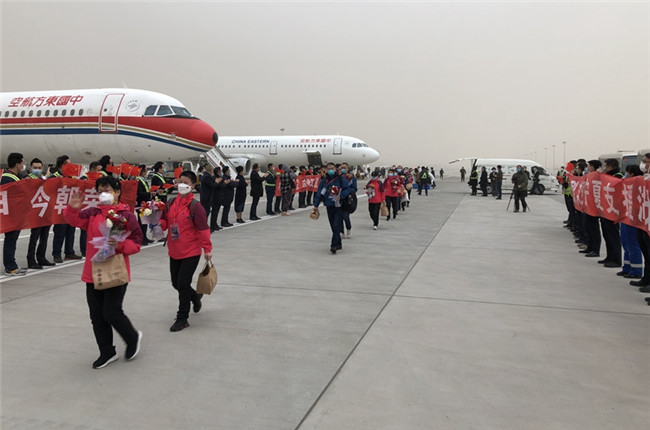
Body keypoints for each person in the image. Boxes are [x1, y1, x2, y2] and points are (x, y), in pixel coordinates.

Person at [64, 176, 143, 369]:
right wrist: (72, 208)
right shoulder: (92, 213)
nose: (103, 194)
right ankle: (107, 352)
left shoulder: (126, 215)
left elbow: (137, 242)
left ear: (117, 192)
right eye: (99, 191)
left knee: (111, 312)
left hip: (115, 270)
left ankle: (132, 337)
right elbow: (74, 220)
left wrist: (120, 245)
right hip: (94, 271)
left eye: (107, 190)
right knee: (97, 316)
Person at [160, 171, 212, 332]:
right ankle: (195, 296)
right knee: (176, 283)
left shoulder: (195, 206)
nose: (181, 185)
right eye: (179, 181)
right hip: (174, 249)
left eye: (185, 182)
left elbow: (203, 229)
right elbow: (165, 220)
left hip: (191, 250)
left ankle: (182, 318)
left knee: (182, 284)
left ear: (193, 186)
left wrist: (207, 249)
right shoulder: (170, 203)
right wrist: (156, 222)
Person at [312, 162, 351, 254]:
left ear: (335, 169)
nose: (330, 170)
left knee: (336, 225)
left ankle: (333, 245)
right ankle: (338, 244)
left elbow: (347, 189)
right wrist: (316, 205)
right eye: (328, 169)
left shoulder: (340, 179)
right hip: (329, 205)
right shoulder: (324, 181)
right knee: (333, 225)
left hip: (338, 205)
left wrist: (341, 196)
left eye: (332, 168)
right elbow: (320, 193)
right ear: (326, 170)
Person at [25, 158, 55, 269]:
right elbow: (32, 186)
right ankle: (31, 259)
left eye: (39, 168)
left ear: (42, 168)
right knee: (34, 237)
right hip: (35, 213)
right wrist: (45, 177)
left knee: (44, 237)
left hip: (45, 212)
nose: (37, 170)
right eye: (35, 168)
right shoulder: (28, 178)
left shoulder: (45, 179)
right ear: (30, 168)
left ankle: (41, 257)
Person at [51, 155, 82, 263]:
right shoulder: (54, 176)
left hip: (70, 208)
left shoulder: (71, 177)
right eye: (69, 164)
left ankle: (69, 252)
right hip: (59, 208)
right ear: (62, 165)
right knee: (60, 232)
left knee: (70, 231)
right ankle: (56, 254)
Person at [2, 152, 27, 276]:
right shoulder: (7, 179)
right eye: (22, 162)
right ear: (17, 164)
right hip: (10, 215)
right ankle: (10, 267)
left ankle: (12, 264)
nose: (23, 165)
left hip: (16, 214)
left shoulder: (18, 177)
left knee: (12, 240)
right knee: (10, 240)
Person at [618, 164, 643, 279]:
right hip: (626, 216)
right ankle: (627, 267)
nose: (625, 175)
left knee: (632, 244)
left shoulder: (639, 183)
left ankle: (636, 270)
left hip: (634, 218)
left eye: (627, 172)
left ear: (631, 173)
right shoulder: (627, 183)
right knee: (625, 243)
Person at [598, 159, 624, 268]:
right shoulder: (608, 176)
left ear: (610, 167)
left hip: (613, 211)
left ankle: (617, 259)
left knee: (613, 236)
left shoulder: (618, 176)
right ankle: (609, 256)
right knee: (607, 235)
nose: (604, 168)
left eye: (606, 166)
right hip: (606, 209)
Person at [583, 160, 602, 258]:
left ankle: (595, 249)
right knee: (588, 227)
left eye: (589, 166)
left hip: (594, 208)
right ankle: (590, 247)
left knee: (594, 229)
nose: (588, 167)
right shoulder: (590, 176)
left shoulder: (599, 176)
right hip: (588, 206)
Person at [340, 162, 357, 238]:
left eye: (344, 168)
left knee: (345, 216)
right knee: (339, 216)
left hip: (348, 200)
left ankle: (348, 228)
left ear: (348, 168)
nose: (342, 169)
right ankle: (341, 231)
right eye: (341, 168)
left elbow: (354, 188)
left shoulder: (352, 178)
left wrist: (347, 191)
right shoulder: (338, 177)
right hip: (339, 198)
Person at [210, 166, 224, 232]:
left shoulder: (219, 178)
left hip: (219, 197)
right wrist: (224, 183)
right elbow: (218, 186)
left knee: (216, 212)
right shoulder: (215, 178)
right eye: (220, 171)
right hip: (215, 197)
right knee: (214, 212)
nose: (221, 172)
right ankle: (213, 225)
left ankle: (215, 224)